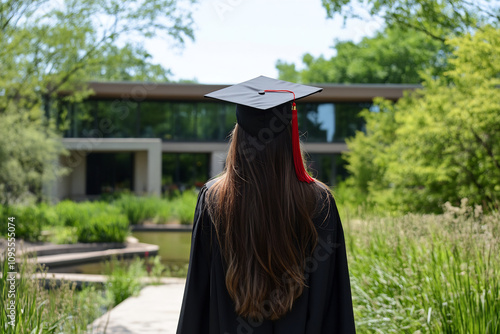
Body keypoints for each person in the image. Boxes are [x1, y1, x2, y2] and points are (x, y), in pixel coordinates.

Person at [176, 76, 356, 334]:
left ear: (237, 137)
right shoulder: (318, 201)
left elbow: (197, 294)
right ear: (289, 136)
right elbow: (333, 298)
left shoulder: (213, 199)